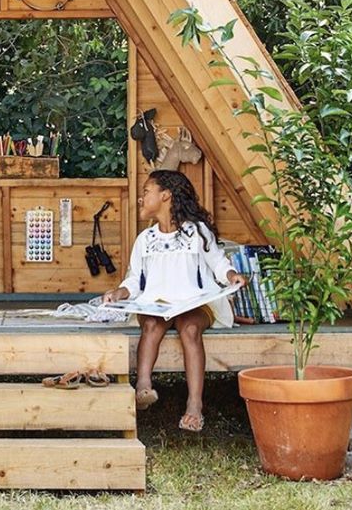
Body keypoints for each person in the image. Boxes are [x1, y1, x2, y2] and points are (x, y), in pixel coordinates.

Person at [103, 169, 247, 433]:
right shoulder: (145, 240)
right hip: (157, 304)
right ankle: (144, 387)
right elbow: (135, 280)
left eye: (146, 192)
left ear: (166, 196)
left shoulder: (197, 232)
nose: (141, 198)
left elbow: (217, 263)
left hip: (196, 302)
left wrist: (231, 275)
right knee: (152, 326)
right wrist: (119, 293)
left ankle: (194, 404)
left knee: (190, 328)